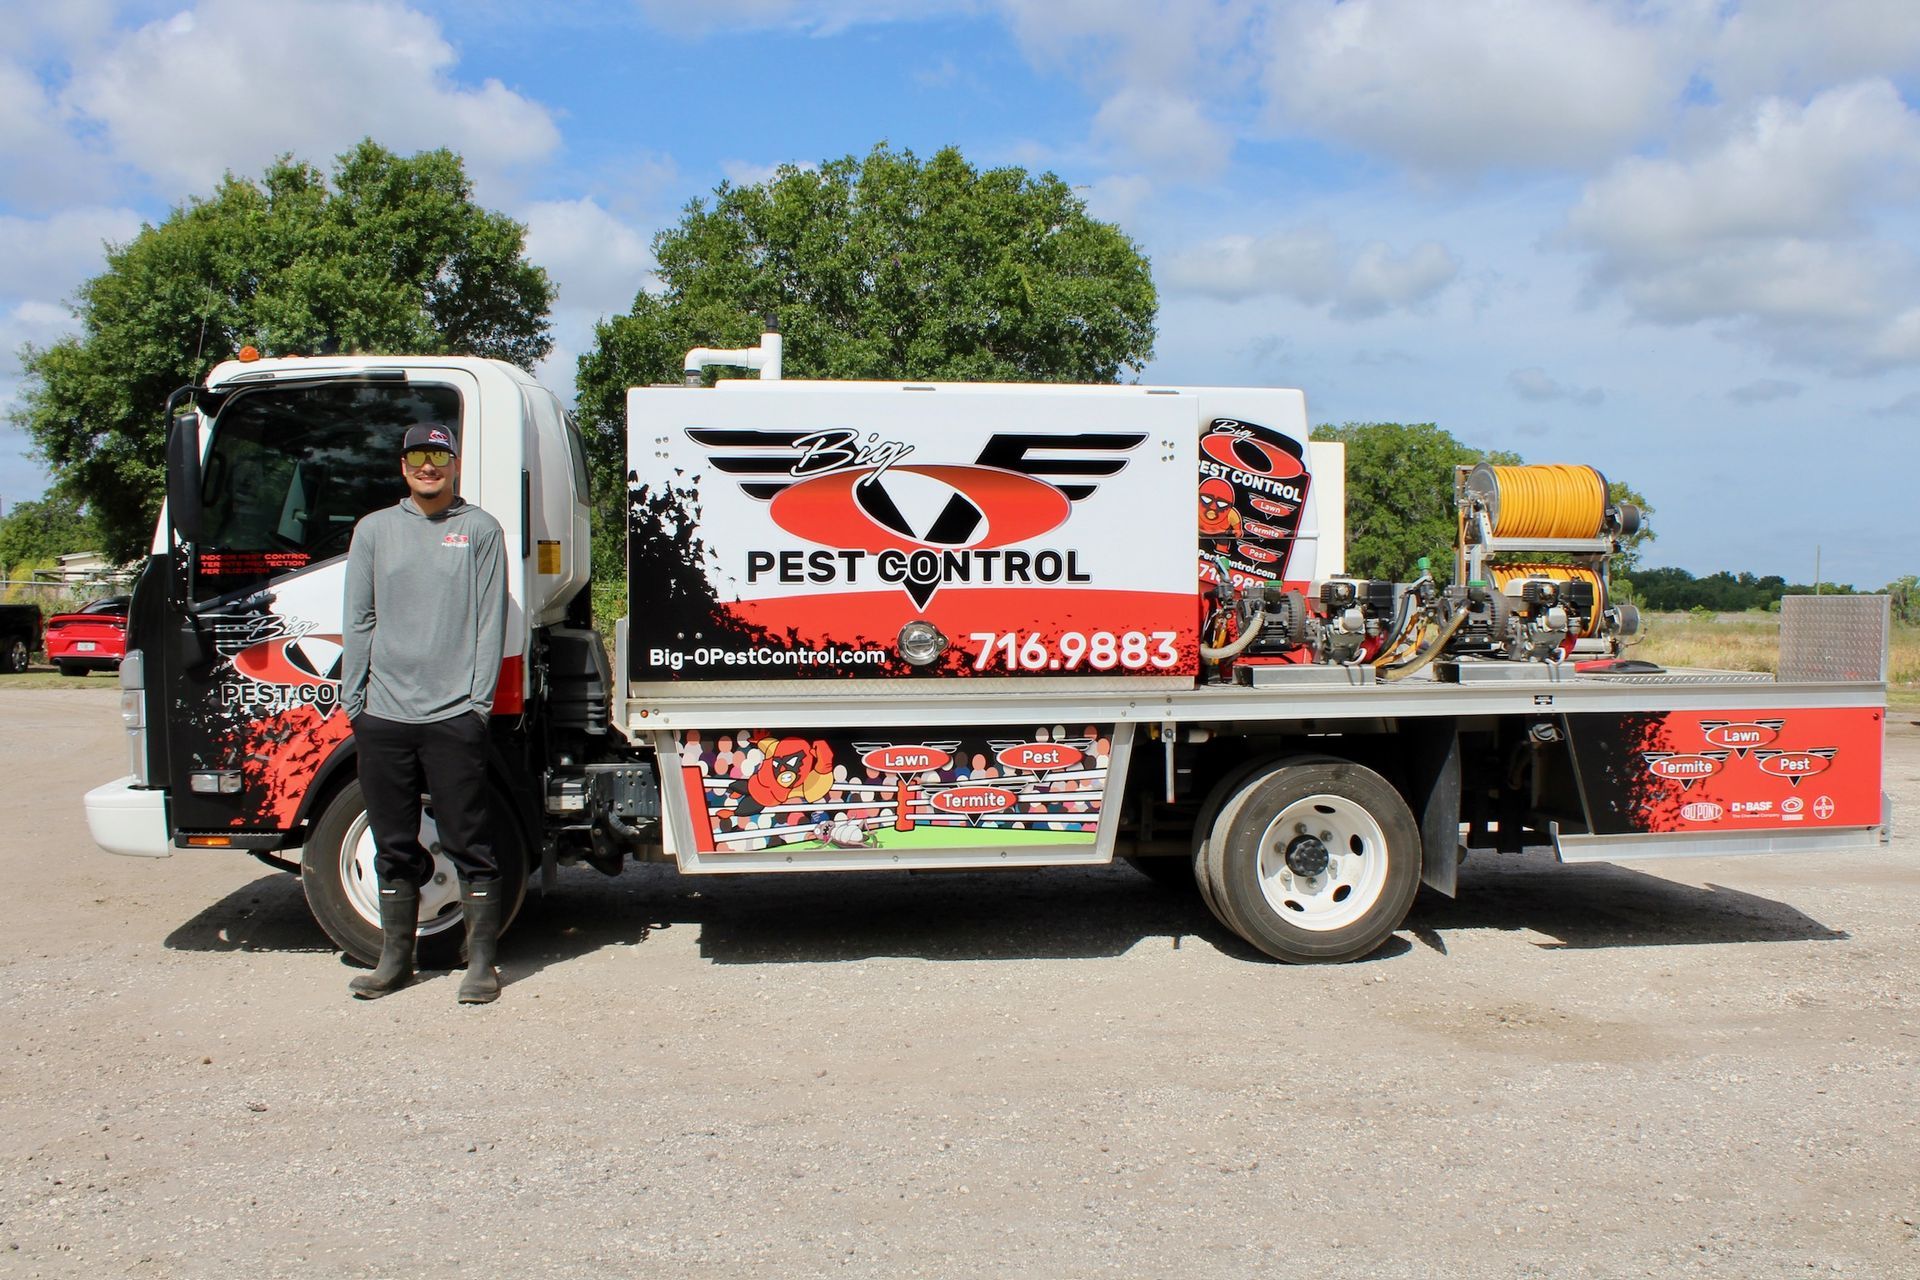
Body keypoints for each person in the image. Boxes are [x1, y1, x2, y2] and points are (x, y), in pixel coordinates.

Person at [339, 423, 509, 1004]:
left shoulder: (480, 530)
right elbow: (359, 619)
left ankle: (481, 964)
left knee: (467, 840)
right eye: (418, 455)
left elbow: (491, 623)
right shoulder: (375, 531)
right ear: (403, 464)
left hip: (453, 717)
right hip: (383, 715)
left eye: (439, 455)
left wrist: (475, 705)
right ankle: (395, 960)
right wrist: (353, 700)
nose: (428, 466)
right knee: (393, 842)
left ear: (455, 464)